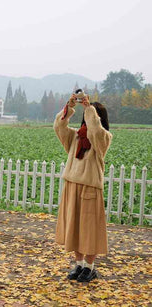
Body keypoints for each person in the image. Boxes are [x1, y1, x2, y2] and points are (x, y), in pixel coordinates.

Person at [53, 91, 112, 282]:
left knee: (89, 229)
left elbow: (95, 131)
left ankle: (90, 266)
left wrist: (89, 108)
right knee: (74, 227)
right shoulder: (75, 137)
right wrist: (70, 106)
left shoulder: (102, 139)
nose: (87, 120)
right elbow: (59, 126)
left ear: (97, 117)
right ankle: (78, 264)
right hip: (72, 186)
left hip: (90, 188)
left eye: (92, 115)